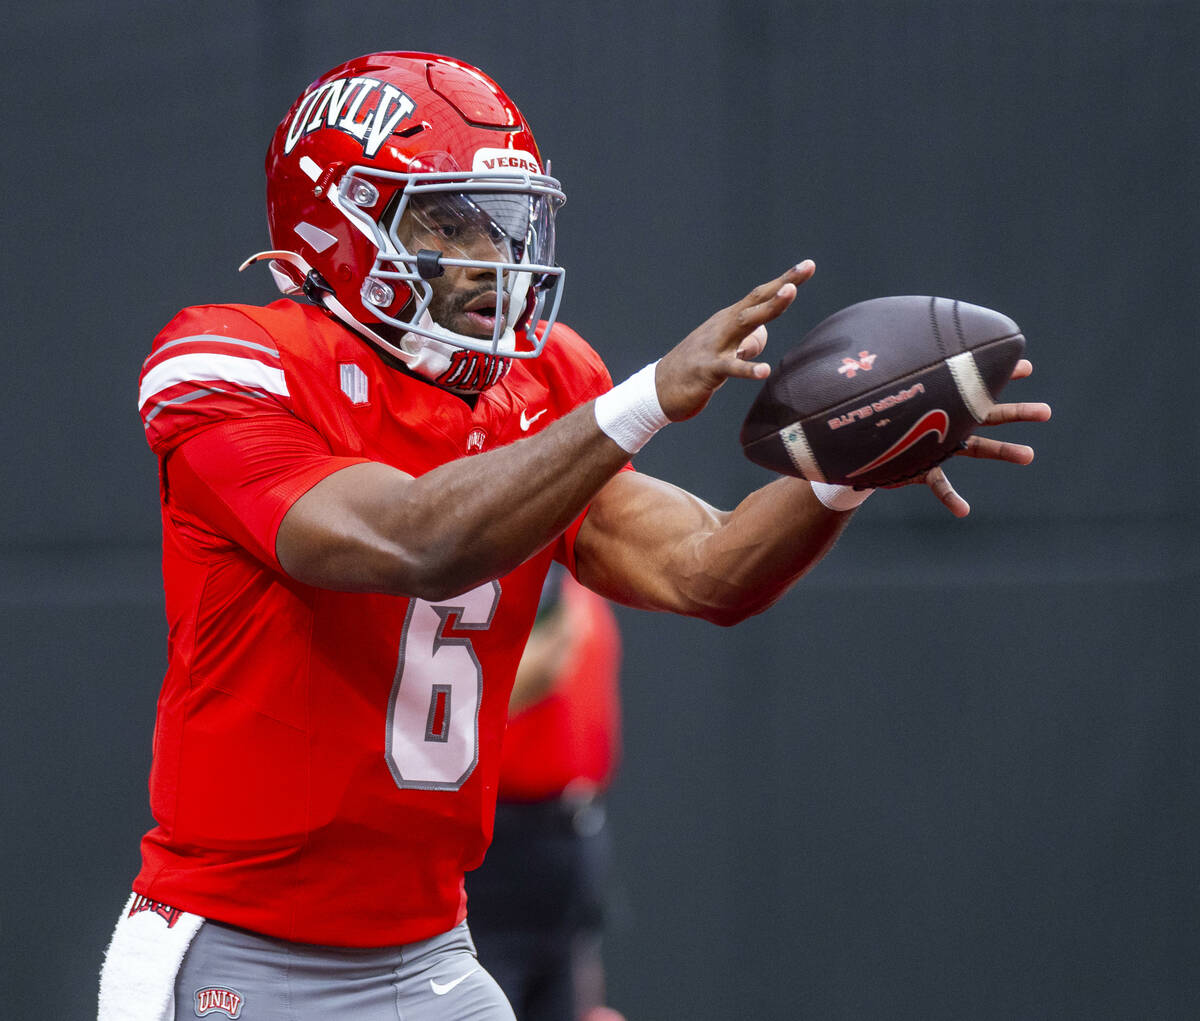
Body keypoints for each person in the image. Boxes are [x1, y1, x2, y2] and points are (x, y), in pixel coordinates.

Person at [99, 51, 1050, 1021]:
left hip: (430, 948)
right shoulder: (234, 359)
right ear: (333, 223)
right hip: (239, 950)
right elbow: (411, 541)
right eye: (447, 222)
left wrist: (845, 472)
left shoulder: (543, 383)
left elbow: (706, 568)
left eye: (505, 226)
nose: (493, 259)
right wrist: (643, 402)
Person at [465, 565, 626, 1021]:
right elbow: (500, 691)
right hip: (501, 843)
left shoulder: (577, 577)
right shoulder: (502, 580)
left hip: (574, 835)